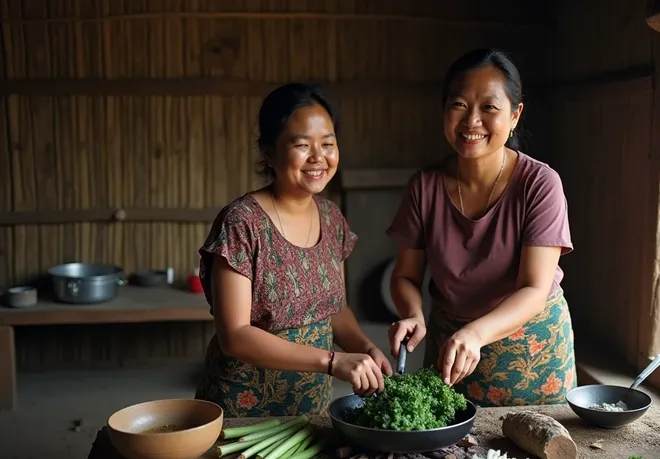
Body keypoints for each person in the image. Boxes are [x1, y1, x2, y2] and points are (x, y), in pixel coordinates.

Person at [386, 48, 576, 407]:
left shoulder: (540, 184)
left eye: (489, 107)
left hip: (531, 355)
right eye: (459, 105)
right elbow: (405, 277)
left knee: (535, 458)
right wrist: (413, 313)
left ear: (515, 115)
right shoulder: (424, 186)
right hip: (451, 352)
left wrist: (475, 332)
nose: (471, 121)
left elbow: (535, 288)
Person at [196, 83, 392, 418]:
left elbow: (335, 307)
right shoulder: (242, 222)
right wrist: (332, 360)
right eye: (302, 145)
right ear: (269, 153)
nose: (318, 157)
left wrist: (366, 347)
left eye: (327, 144)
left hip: (311, 405)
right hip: (244, 409)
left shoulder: (331, 219)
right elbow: (235, 335)